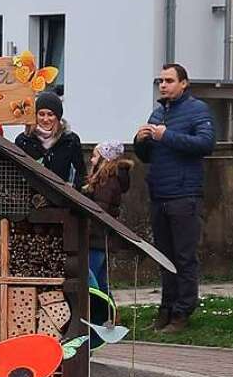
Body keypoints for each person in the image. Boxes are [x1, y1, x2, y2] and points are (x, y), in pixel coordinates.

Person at [134, 63, 215, 334]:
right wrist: (141, 141)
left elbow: (205, 144)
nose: (163, 85)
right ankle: (165, 310)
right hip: (159, 194)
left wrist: (167, 135)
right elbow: (147, 156)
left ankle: (182, 312)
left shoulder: (197, 110)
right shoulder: (158, 112)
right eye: (160, 81)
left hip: (184, 195)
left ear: (184, 83)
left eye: (169, 80)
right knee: (163, 257)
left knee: (183, 257)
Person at [83, 140, 134, 293]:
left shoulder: (106, 182)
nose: (91, 160)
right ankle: (110, 314)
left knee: (89, 277)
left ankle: (96, 311)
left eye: (94, 156)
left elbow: (99, 211)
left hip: (97, 237)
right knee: (100, 279)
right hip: (103, 237)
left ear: (104, 159)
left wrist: (87, 232)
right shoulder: (110, 180)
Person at [15, 91, 87, 190]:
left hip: (60, 198)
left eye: (50, 114)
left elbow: (81, 173)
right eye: (41, 114)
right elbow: (16, 173)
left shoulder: (70, 140)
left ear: (57, 117)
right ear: (35, 116)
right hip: (30, 198)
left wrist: (74, 192)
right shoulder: (24, 140)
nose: (45, 119)